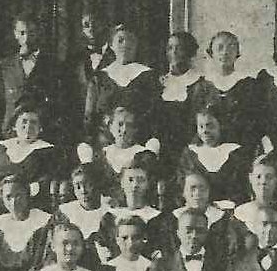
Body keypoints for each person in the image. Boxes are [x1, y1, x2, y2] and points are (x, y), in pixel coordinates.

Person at [0, 14, 65, 143]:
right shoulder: (3, 66)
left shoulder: (53, 65)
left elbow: (59, 106)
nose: (26, 38)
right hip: (10, 136)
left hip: (43, 137)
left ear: (39, 34)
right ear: (15, 34)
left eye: (32, 33)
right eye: (22, 33)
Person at [84, 24, 161, 140]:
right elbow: (89, 117)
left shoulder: (148, 76)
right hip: (105, 143)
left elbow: (154, 115)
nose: (125, 44)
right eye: (120, 40)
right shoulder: (99, 78)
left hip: (138, 142)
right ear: (111, 45)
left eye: (131, 41)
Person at [0, 104, 62, 210]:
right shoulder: (0, 148)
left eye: (34, 122)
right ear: (14, 126)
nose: (28, 126)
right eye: (24, 121)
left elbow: (47, 181)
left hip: (30, 204)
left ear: (40, 128)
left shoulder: (48, 151)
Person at [76, 106, 161, 206]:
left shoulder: (144, 153)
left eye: (129, 125)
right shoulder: (101, 154)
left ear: (135, 129)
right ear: (111, 127)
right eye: (120, 124)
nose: (124, 130)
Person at [190, 31, 257, 146]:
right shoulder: (201, 86)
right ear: (211, 53)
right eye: (220, 48)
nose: (225, 52)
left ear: (237, 53)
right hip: (210, 148)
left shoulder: (248, 85)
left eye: (231, 47)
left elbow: (255, 122)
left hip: (242, 146)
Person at [176, 104, 250, 204]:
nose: (205, 131)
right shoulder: (190, 154)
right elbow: (183, 186)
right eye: (201, 126)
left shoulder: (234, 152)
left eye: (209, 126)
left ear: (220, 125)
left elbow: (241, 188)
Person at [100, 167, 165, 260]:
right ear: (122, 183)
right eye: (130, 180)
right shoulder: (109, 218)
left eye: (141, 180)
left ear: (148, 184)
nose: (135, 185)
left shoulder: (158, 218)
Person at [157, 32, 202, 166]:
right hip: (163, 150)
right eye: (170, 48)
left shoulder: (200, 83)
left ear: (190, 52)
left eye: (179, 48)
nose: (174, 52)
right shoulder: (160, 83)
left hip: (189, 149)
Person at [55, 166, 113, 266]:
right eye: (77, 186)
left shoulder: (110, 211)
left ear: (97, 184)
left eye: (88, 184)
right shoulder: (65, 212)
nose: (83, 191)